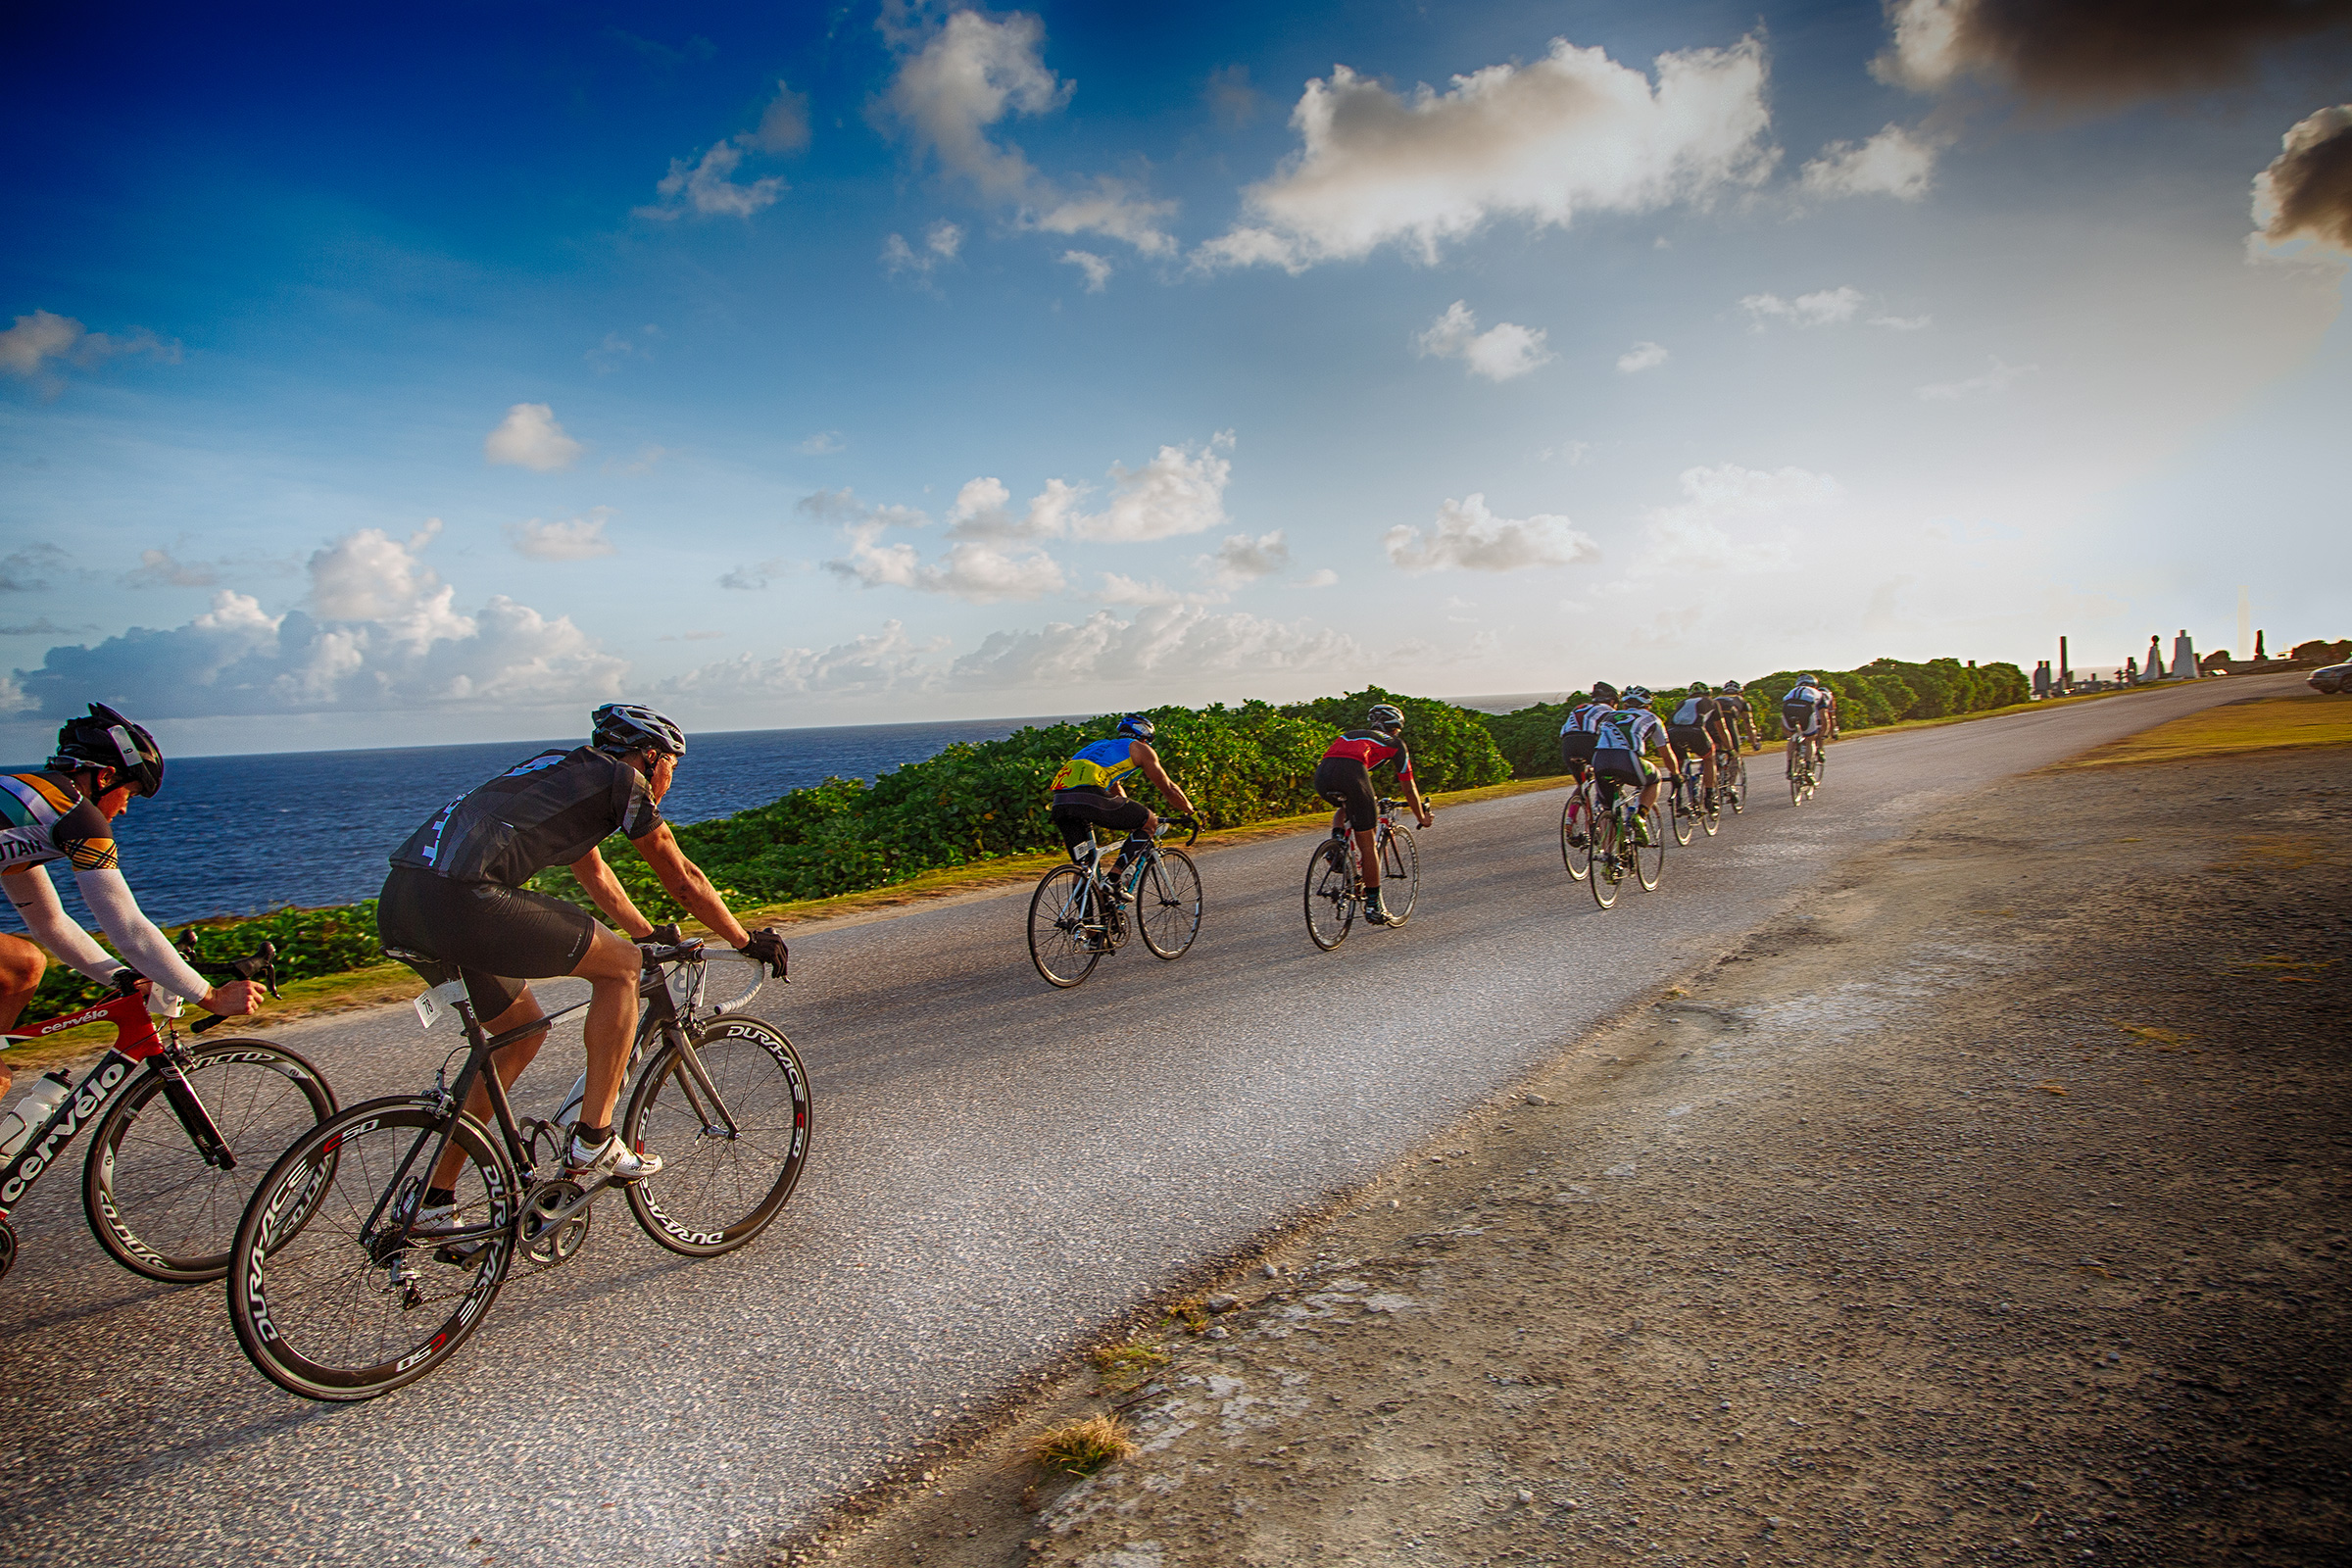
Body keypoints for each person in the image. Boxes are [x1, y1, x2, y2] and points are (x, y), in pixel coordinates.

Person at [377, 703, 789, 1212]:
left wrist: (644, 932)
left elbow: (591, 869)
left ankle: (435, 1198)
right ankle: (594, 1138)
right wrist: (743, 939)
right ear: (652, 756)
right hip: (464, 899)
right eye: (673, 767)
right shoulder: (623, 781)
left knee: (519, 1033)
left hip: (401, 903)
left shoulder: (563, 771)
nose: (671, 779)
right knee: (621, 970)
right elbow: (681, 876)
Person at [1, 704, 264, 1099]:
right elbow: (129, 927)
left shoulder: (31, 806)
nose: (124, 807)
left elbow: (52, 923)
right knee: (25, 963)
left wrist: (124, 979)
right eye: (131, 792)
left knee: (21, 967)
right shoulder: (76, 815)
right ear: (105, 776)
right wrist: (209, 996)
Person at [1047, 715, 1198, 902]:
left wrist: (1130, 817)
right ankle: (1114, 879)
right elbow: (1168, 788)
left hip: (1061, 802)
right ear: (1145, 737)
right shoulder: (1141, 749)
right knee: (1149, 821)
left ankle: (1088, 928)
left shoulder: (1097, 746)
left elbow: (1116, 789)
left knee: (1084, 868)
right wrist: (1192, 812)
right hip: (1090, 796)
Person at [1313, 704, 1433, 926]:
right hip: (1352, 773)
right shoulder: (1396, 744)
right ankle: (1373, 906)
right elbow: (1409, 788)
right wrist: (1421, 818)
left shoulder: (1352, 735)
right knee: (1367, 844)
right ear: (1396, 728)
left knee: (1346, 806)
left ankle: (1337, 846)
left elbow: (1345, 762)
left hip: (1323, 774)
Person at [1590, 687, 1681, 845]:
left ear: (1624, 705)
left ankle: (1608, 860)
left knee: (1608, 810)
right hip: (1627, 758)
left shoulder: (1609, 716)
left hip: (1600, 759)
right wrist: (1675, 774)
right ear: (1648, 705)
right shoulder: (1652, 718)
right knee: (1654, 779)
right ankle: (1640, 817)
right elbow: (1665, 753)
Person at [1665, 682, 1724, 807]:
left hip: (1672, 732)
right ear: (1708, 694)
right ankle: (1710, 796)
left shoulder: (1682, 703)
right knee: (1709, 758)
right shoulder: (1712, 703)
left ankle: (1677, 798)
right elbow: (1721, 729)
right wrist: (1730, 748)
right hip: (1696, 731)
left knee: (1678, 763)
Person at [1556, 682, 1617, 782]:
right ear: (1612, 701)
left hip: (1568, 744)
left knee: (1582, 783)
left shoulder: (1579, 708)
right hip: (1588, 741)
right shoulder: (1608, 710)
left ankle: (1579, 795)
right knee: (1609, 774)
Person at [1780, 676, 1835, 780]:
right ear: (1814, 685)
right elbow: (1824, 717)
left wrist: (1787, 732)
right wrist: (1823, 734)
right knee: (1810, 739)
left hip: (1787, 707)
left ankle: (1790, 767)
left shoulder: (1792, 691)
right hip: (1805, 708)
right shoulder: (1819, 693)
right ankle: (1808, 770)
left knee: (1792, 738)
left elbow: (1782, 717)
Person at [1717, 680, 1762, 752]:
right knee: (1734, 750)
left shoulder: (1716, 699)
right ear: (1740, 692)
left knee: (1714, 749)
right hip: (1729, 722)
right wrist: (1754, 743)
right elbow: (1748, 724)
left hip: (1711, 723)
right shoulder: (1742, 701)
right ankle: (1735, 759)